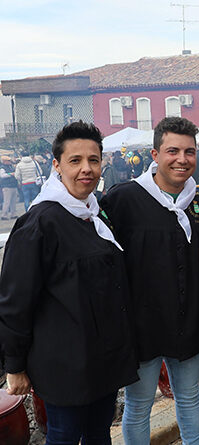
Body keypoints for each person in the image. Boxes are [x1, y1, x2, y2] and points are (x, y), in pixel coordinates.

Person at [0, 121, 138, 443]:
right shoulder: (39, 223)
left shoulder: (95, 215)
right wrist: (15, 365)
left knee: (99, 434)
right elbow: (15, 301)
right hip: (64, 366)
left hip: (102, 360)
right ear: (57, 165)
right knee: (63, 436)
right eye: (75, 161)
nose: (86, 169)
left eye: (93, 159)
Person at [101, 117, 199, 445]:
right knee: (139, 404)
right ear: (155, 154)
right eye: (172, 150)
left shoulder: (198, 204)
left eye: (189, 152)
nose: (182, 159)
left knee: (189, 398)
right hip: (141, 325)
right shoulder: (122, 200)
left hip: (186, 322)